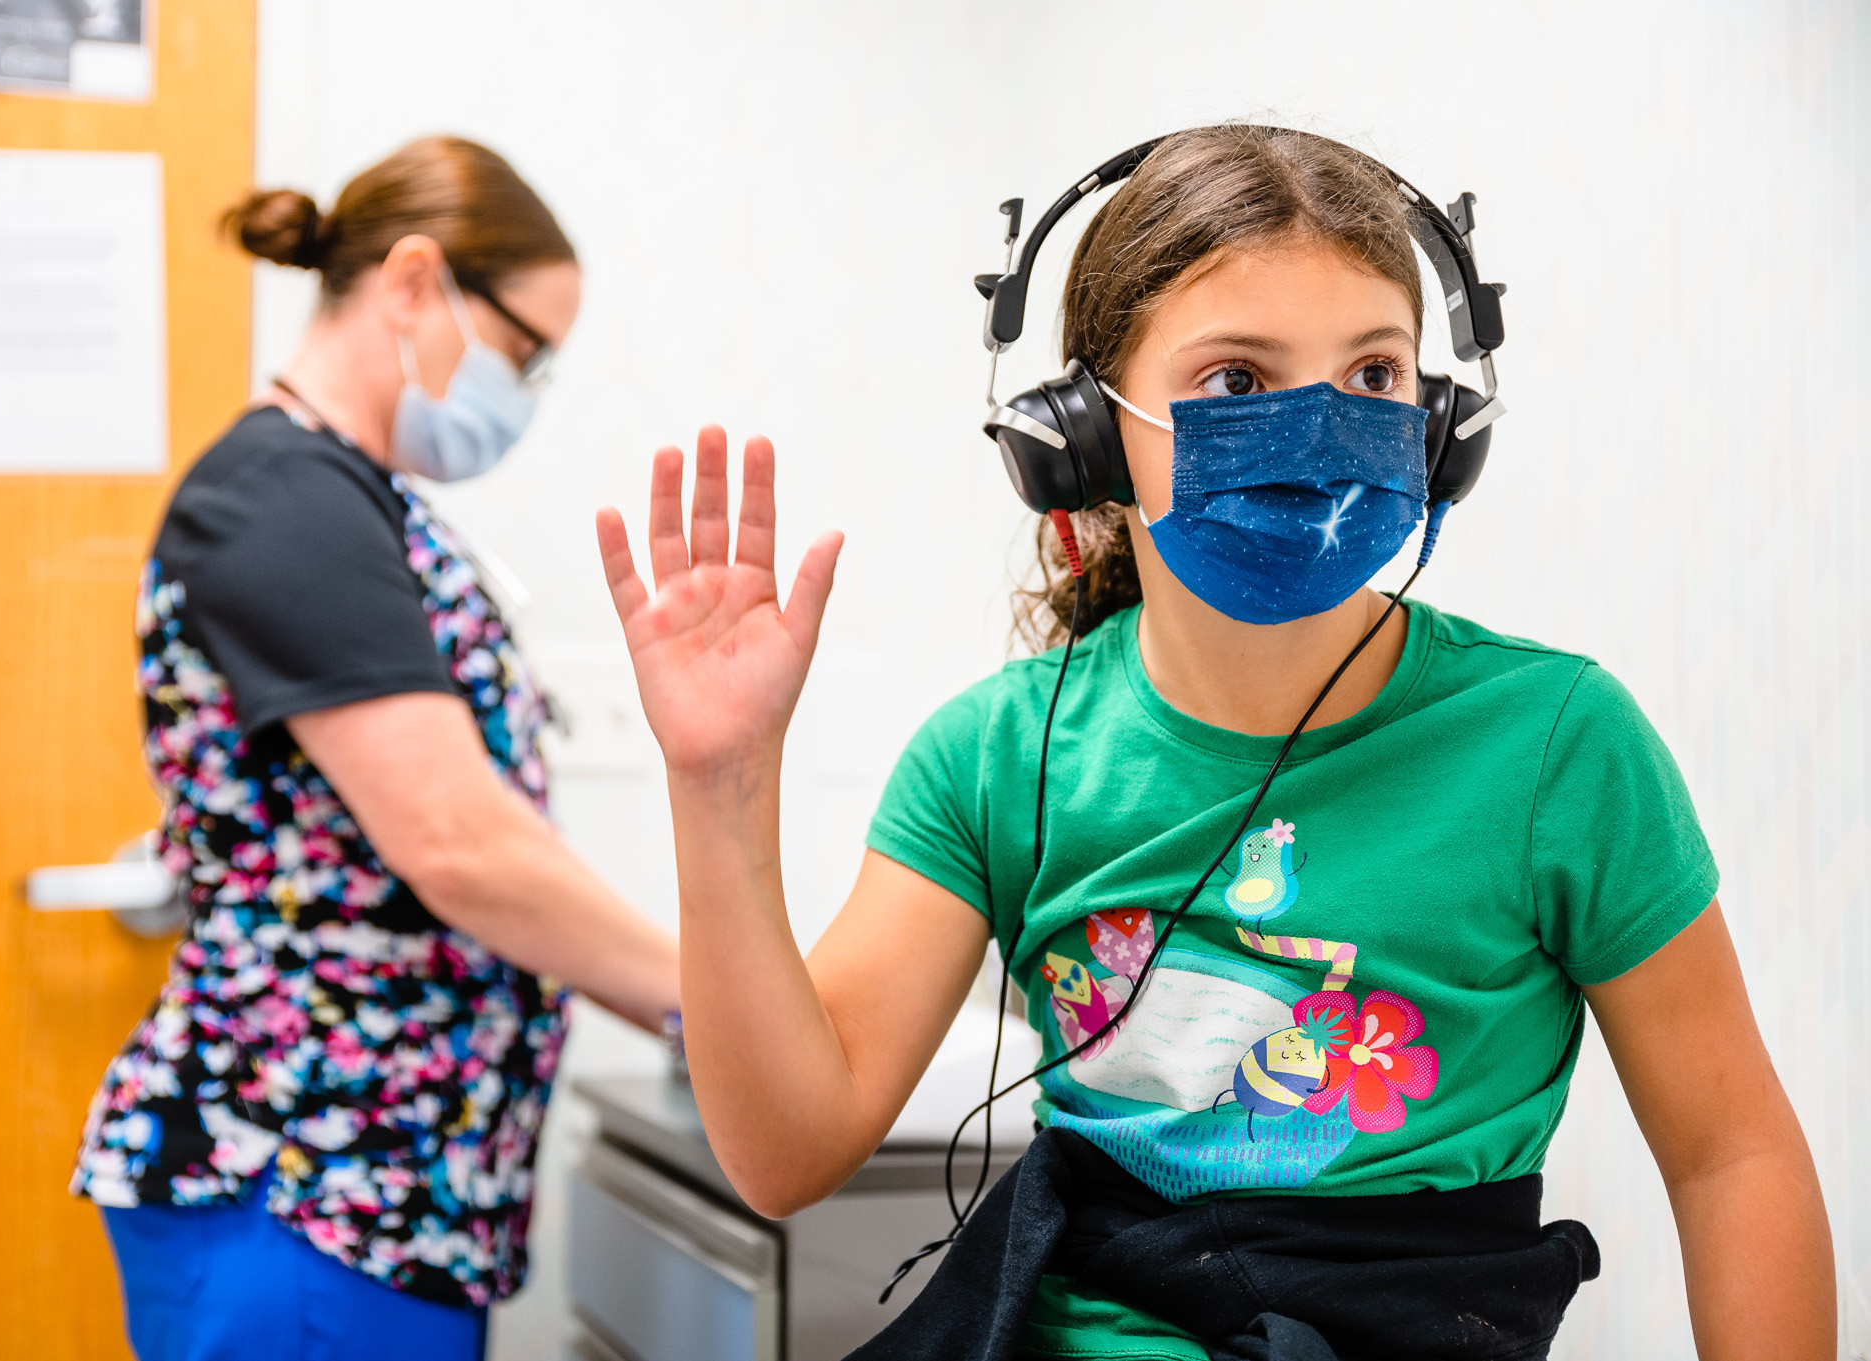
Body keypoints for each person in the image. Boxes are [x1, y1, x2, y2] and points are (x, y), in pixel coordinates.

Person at [594, 125, 1834, 1359]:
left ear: (1443, 420)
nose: (1316, 425)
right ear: (1083, 429)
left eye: (1373, 374)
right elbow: (788, 1151)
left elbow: (1734, 1153)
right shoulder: (996, 755)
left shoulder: (1559, 744)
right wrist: (719, 785)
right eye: (1237, 379)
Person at [71, 135, 681, 1361]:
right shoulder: (279, 498)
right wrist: (712, 1003)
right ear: (413, 282)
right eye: (524, 352)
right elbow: (457, 841)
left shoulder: (355, 498)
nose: (527, 390)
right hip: (301, 1180)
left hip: (383, 1189)